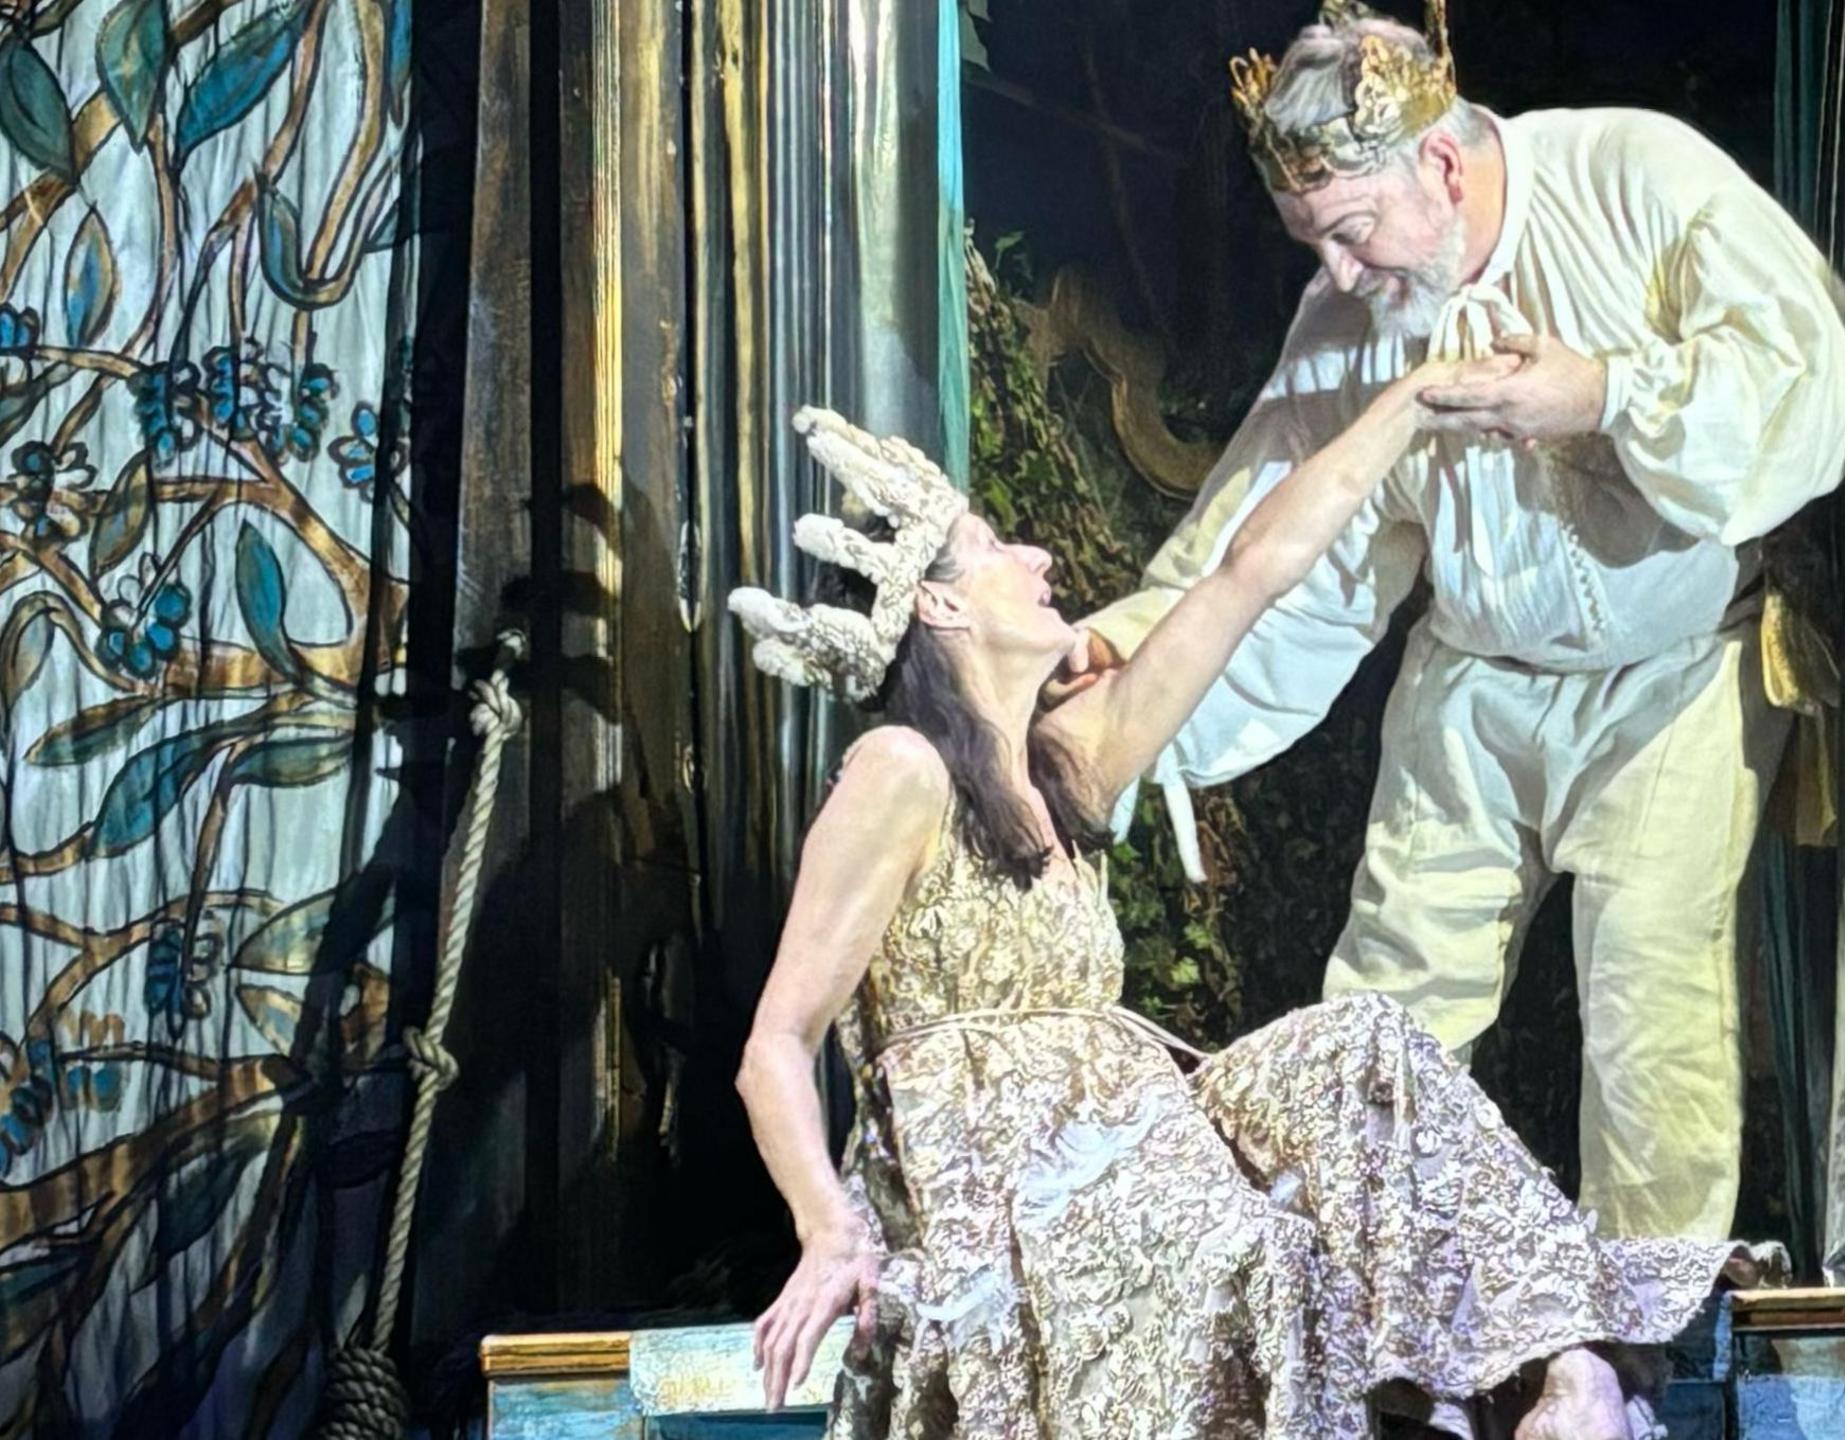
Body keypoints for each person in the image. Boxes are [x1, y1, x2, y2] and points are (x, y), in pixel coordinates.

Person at [727, 404, 1775, 1440]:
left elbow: (1250, 574)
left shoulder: (1071, 757)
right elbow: (777, 1044)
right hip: (1004, 1183)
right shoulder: (899, 770)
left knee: (1365, 1038)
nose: (1036, 555)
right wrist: (829, 1231)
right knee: (1261, 1251)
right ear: (940, 610)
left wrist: (1409, 404)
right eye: (993, 548)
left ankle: (1573, 1369)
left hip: (1146, 1129)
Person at [1059, 0, 1845, 1244]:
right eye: (1309, 244)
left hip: (1671, 677)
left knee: (1651, 1008)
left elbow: (1809, 379)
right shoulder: (1351, 315)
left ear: (1439, 163)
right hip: (1475, 683)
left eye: (1351, 234)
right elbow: (1275, 537)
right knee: (1387, 1004)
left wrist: (1601, 392)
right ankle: (1372, 1318)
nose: (1335, 277)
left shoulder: (1632, 178)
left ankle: (1629, 1358)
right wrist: (1130, 655)